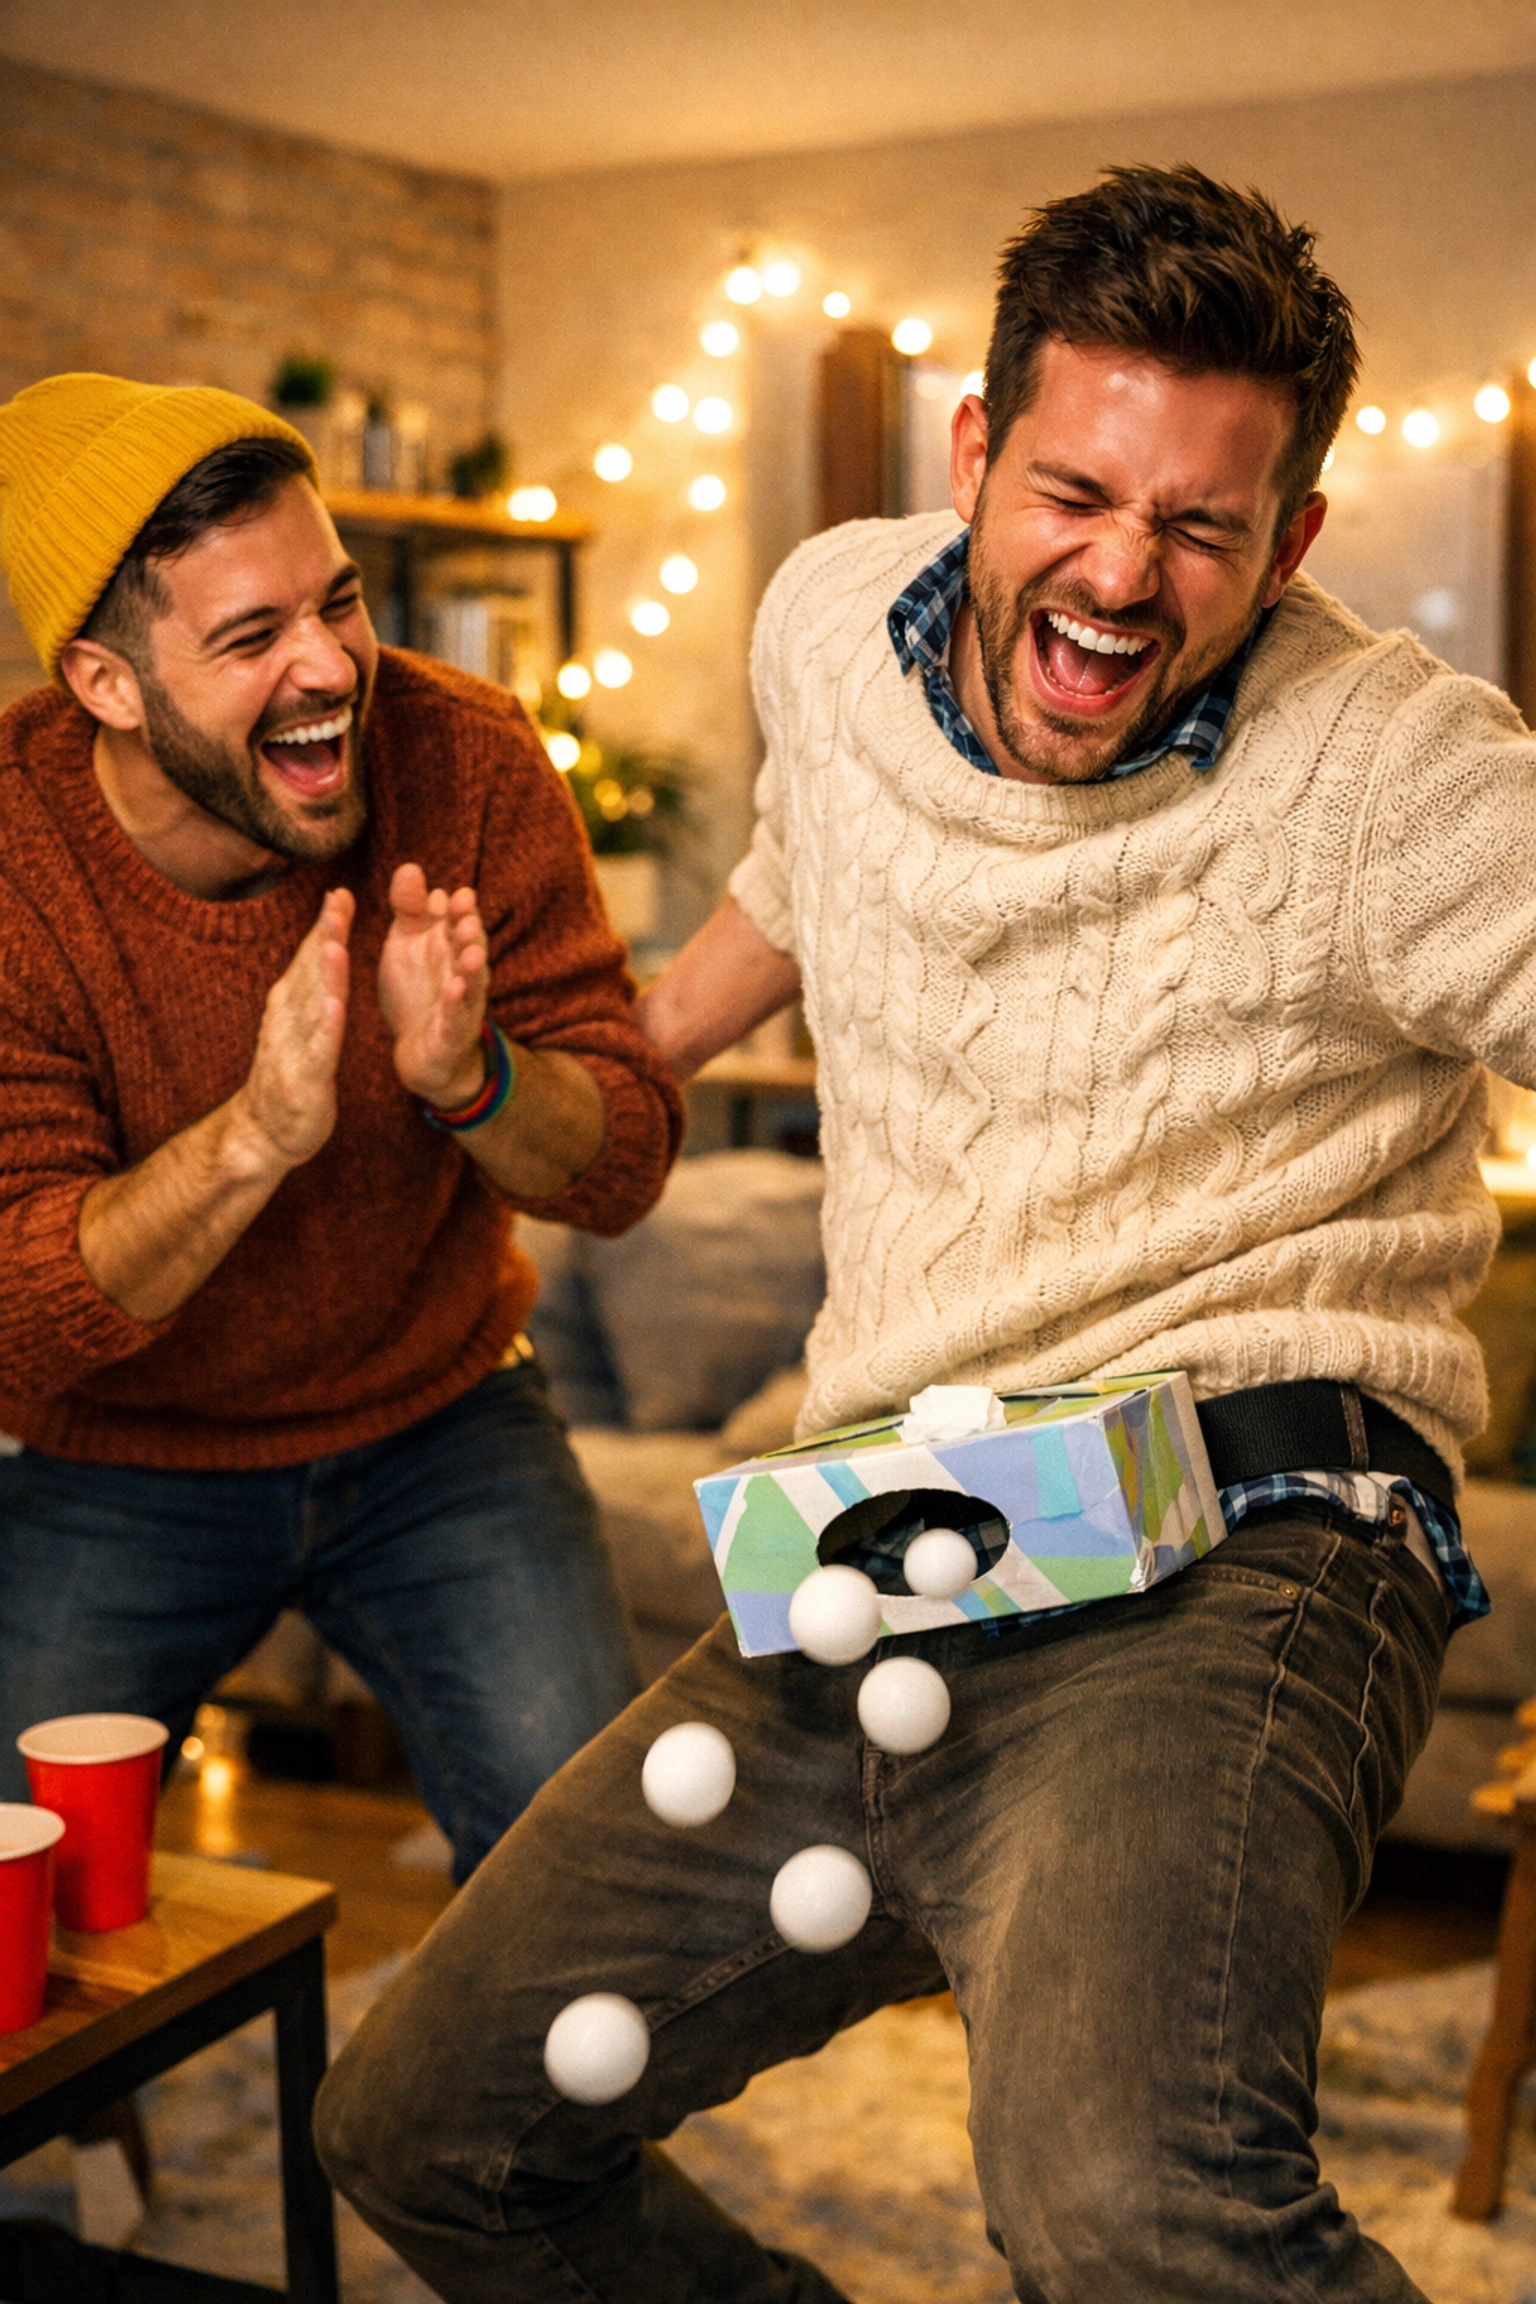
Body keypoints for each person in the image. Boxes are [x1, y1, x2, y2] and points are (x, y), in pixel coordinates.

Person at [315, 165, 1523, 2299]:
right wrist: (579, 1061)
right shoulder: (822, 623)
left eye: (1203, 526)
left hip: (1248, 1536)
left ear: (1296, 539)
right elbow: (804, 879)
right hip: (887, 1546)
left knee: (1129, 2210)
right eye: (1075, 491)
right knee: (421, 2124)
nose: (1122, 573)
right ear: (973, 452)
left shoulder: (1405, 777)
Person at [0, 375, 682, 1881]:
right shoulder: (12, 864)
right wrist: (250, 1139)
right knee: (13, 1909)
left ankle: (568, 2131)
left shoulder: (472, 758)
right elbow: (19, 1313)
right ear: (107, 684)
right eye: (250, 638)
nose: (330, 667)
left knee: (597, 1884)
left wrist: (474, 1078)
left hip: (444, 1422)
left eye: (340, 602)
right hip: (124, 1465)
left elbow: (627, 1154)